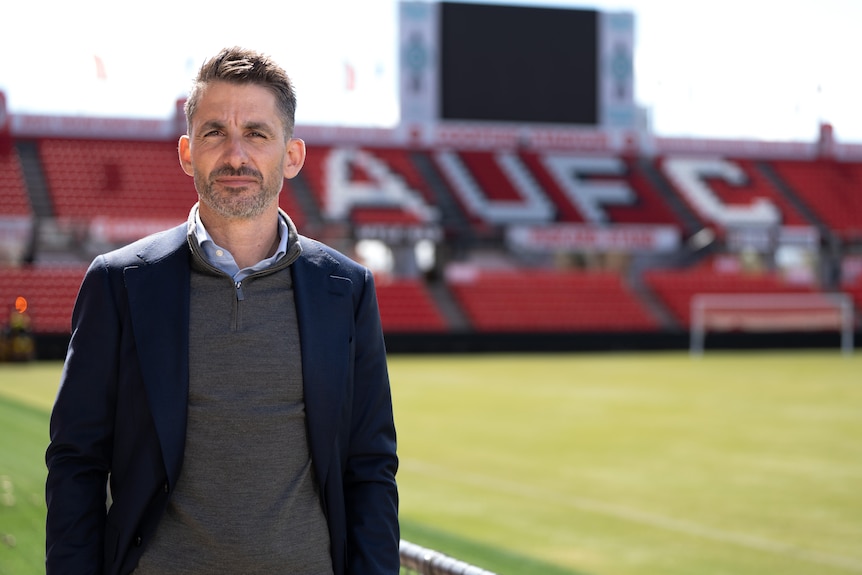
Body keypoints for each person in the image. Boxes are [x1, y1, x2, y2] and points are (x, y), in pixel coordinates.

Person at [45, 46, 399, 575]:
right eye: (215, 132)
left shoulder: (345, 289)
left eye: (257, 133)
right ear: (188, 153)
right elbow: (77, 461)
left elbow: (369, 467)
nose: (236, 155)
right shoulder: (120, 282)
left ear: (293, 155)